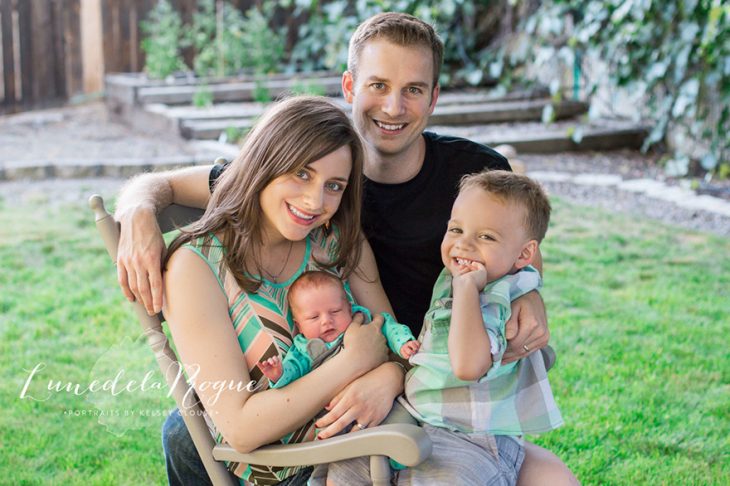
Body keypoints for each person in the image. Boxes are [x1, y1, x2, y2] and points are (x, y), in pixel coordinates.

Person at [114, 12, 570, 485]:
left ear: (434, 98)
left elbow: (518, 252)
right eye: (378, 85)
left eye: (413, 89)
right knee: (183, 433)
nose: (393, 106)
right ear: (350, 86)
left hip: (428, 393)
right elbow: (166, 184)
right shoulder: (302, 186)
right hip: (335, 423)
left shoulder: (349, 227)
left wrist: (530, 290)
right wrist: (136, 210)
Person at [160, 95, 406, 485]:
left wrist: (391, 374)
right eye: (302, 174)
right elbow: (240, 427)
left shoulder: (338, 241)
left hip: (365, 445)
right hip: (284, 470)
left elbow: (396, 340)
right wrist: (353, 361)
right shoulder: (196, 267)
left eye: (334, 185)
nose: (315, 202)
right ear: (264, 165)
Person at [328, 170, 574, 485]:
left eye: (486, 236)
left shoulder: (497, 295)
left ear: (525, 254)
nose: (464, 245)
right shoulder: (455, 277)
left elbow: (468, 366)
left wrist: (468, 291)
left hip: (474, 437)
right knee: (348, 468)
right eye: (456, 229)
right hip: (419, 415)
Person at [259, 270, 419, 388]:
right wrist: (279, 374)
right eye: (314, 317)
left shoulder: (364, 324)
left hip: (380, 390)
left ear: (349, 309)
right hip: (336, 407)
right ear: (299, 325)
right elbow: (294, 369)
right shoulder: (303, 350)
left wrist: (403, 343)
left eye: (335, 311)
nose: (326, 321)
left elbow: (389, 327)